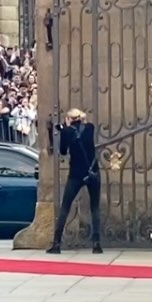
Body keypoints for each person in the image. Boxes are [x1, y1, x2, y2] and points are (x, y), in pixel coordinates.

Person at [47, 108, 102, 255]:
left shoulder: (66, 132)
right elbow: (85, 129)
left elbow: (64, 151)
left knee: (65, 206)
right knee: (95, 207)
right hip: (93, 172)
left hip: (76, 174)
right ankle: (96, 244)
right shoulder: (90, 128)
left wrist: (63, 129)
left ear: (69, 118)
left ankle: (57, 243)